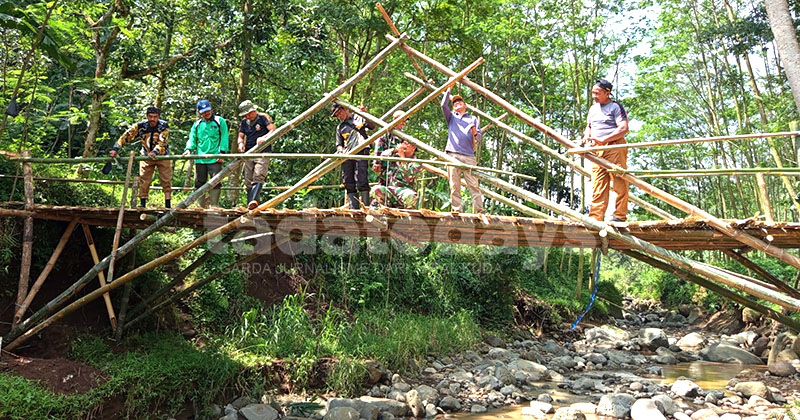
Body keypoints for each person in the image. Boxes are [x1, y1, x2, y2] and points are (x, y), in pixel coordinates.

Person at [581, 78, 629, 222]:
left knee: (619, 181)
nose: (594, 96)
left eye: (597, 93)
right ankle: (595, 217)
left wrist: (604, 139)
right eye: (593, 93)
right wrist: (586, 136)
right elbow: (589, 126)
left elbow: (623, 128)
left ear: (607, 93)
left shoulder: (615, 107)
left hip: (614, 147)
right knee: (598, 184)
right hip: (597, 149)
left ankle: (619, 215)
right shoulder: (593, 109)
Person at [109, 106, 172, 208]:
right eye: (150, 116)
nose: (152, 119)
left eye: (155, 117)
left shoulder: (163, 126)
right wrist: (116, 148)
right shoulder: (141, 126)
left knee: (166, 179)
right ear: (147, 116)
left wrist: (155, 151)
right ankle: (142, 203)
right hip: (146, 155)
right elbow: (126, 136)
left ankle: (168, 204)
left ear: (159, 117)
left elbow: (163, 141)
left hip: (162, 155)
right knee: (144, 179)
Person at [442, 88, 484, 213]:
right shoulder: (451, 117)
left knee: (474, 185)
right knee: (454, 185)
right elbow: (443, 105)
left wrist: (475, 131)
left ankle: (479, 210)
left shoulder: (472, 119)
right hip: (453, 154)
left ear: (465, 106)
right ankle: (456, 210)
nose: (457, 103)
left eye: (460, 102)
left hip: (469, 156)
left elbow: (479, 138)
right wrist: (449, 88)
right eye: (454, 103)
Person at [183, 99, 229, 208]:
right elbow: (192, 138)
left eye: (208, 110)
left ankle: (214, 205)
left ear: (211, 109)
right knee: (199, 182)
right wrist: (188, 149)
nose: (206, 113)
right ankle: (200, 206)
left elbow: (224, 136)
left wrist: (222, 152)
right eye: (203, 112)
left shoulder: (219, 121)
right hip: (200, 158)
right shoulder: (197, 124)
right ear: (199, 112)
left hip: (215, 157)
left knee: (216, 181)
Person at [331, 102, 375, 209]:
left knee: (361, 179)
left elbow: (372, 126)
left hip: (362, 150)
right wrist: (340, 151)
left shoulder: (359, 117)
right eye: (337, 115)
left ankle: (365, 207)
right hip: (348, 154)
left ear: (345, 109)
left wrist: (365, 114)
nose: (339, 116)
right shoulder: (340, 127)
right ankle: (354, 208)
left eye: (340, 112)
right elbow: (339, 144)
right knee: (348, 181)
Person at [237, 100, 276, 209]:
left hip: (263, 152)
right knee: (248, 178)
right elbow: (241, 136)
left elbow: (273, 130)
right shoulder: (244, 122)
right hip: (249, 152)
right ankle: (250, 204)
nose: (247, 116)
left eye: (249, 113)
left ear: (254, 110)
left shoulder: (263, 118)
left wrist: (264, 138)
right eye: (245, 114)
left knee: (258, 175)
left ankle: (254, 201)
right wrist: (240, 143)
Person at [371, 140, 422, 209]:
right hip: (391, 190)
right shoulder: (394, 157)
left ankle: (408, 214)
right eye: (403, 143)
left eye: (408, 144)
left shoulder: (417, 163)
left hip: (405, 191)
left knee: (411, 196)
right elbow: (382, 155)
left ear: (414, 148)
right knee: (376, 189)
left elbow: (406, 177)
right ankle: (382, 210)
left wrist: (402, 158)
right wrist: (394, 150)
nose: (405, 145)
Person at [372, 110, 407, 206]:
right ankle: (375, 206)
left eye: (405, 121)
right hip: (386, 167)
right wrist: (376, 162)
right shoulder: (386, 132)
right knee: (383, 187)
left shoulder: (402, 135)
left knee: (394, 188)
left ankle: (392, 206)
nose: (403, 123)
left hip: (397, 167)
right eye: (402, 121)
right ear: (395, 119)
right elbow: (378, 148)